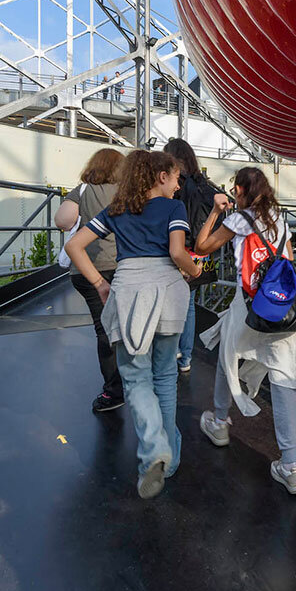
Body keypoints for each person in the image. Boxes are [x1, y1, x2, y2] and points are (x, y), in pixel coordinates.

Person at [66, 151, 203, 499]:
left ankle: (154, 447)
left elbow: (74, 245)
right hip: (169, 292)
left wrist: (99, 283)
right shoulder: (174, 209)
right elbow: (176, 252)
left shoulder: (116, 210)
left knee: (136, 377)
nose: (177, 186)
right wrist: (196, 270)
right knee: (165, 376)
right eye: (175, 178)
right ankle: (168, 458)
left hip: (129, 291)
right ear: (160, 176)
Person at [194, 166, 296, 496]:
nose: (233, 194)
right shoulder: (280, 218)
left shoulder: (238, 220)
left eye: (235, 190)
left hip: (250, 305)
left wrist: (215, 211)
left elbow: (202, 247)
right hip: (281, 307)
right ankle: (291, 466)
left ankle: (219, 422)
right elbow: (285, 260)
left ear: (243, 191)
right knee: (285, 378)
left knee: (228, 356)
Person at [54, 148, 126, 414]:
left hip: (88, 269)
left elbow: (63, 220)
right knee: (130, 325)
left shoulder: (82, 190)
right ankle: (137, 380)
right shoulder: (125, 191)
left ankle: (113, 391)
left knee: (104, 329)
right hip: (122, 266)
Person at [162, 137, 220, 374]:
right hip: (200, 252)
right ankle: (185, 357)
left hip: (179, 250)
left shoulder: (178, 185)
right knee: (189, 305)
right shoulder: (205, 185)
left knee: (172, 304)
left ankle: (172, 350)